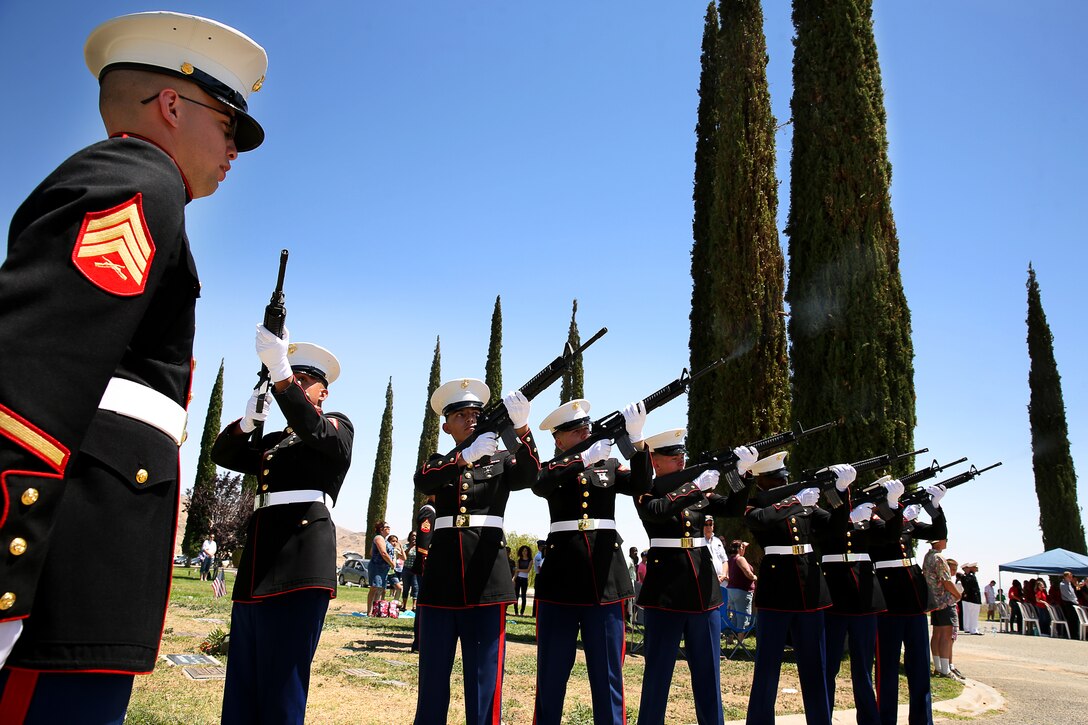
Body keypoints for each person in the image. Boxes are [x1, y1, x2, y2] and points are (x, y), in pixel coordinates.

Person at [0, 12, 267, 721]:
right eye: (228, 123)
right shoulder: (135, 181)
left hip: (88, 571)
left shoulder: (149, 191)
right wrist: (5, 574)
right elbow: (32, 379)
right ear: (172, 104)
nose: (235, 147)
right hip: (58, 581)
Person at [211, 336, 352, 723]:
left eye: (303, 379)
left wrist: (282, 375)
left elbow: (315, 430)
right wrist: (246, 424)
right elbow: (222, 455)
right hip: (259, 563)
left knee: (283, 685)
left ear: (323, 392)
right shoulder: (274, 443)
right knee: (243, 680)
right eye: (292, 376)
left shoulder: (337, 428)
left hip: (300, 564)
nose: (292, 383)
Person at [413, 379, 539, 725]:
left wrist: (523, 428)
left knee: (486, 680)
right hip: (442, 577)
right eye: (461, 414)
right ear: (446, 424)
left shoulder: (500, 458)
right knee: (433, 678)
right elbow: (423, 480)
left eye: (475, 414)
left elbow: (530, 474)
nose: (470, 419)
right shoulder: (440, 462)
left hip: (487, 577)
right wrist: (465, 456)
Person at [531, 398, 650, 725]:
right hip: (561, 580)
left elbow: (643, 485)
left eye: (586, 426)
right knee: (551, 675)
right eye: (575, 429)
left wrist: (638, 444)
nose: (585, 431)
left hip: (604, 580)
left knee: (609, 674)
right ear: (559, 439)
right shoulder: (552, 468)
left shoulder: (609, 466)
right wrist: (582, 457)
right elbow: (539, 484)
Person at [635, 429, 752, 725]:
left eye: (681, 457)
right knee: (658, 675)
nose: (680, 462)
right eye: (673, 458)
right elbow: (658, 512)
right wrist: (695, 488)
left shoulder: (697, 488)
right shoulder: (647, 490)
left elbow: (734, 508)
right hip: (666, 593)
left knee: (709, 675)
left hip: (703, 593)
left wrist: (741, 475)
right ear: (655, 461)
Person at [744, 452, 854, 725]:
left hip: (810, 590)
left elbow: (835, 528)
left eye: (785, 479)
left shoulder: (806, 505)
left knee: (815, 667)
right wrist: (794, 500)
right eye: (777, 480)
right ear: (762, 482)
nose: (783, 482)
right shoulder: (755, 505)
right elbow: (759, 521)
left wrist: (841, 493)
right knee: (768, 667)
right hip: (776, 590)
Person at [871, 482, 948, 725]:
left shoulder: (904, 519)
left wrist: (934, 507)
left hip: (914, 598)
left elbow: (938, 533)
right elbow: (888, 536)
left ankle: (922, 720)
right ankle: (886, 720)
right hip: (889, 597)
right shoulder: (871, 518)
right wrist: (899, 514)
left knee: (920, 666)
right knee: (888, 668)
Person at [818, 476, 888, 725]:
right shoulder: (824, 517)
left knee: (863, 671)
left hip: (864, 600)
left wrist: (893, 506)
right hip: (834, 598)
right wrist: (848, 518)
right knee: (828, 667)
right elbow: (823, 537)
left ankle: (869, 720)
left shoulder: (870, 521)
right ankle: (822, 718)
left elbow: (891, 534)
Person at [923, 539, 961, 681]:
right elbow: (946, 580)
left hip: (934, 600)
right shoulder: (939, 557)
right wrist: (957, 594)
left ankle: (939, 666)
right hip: (944, 600)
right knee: (946, 634)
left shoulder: (928, 556)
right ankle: (945, 669)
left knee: (937, 634)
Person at [410, 497, 436, 653]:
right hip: (427, 564)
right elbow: (424, 541)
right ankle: (420, 642)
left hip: (432, 563)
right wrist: (426, 564)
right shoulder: (429, 510)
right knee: (424, 604)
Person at [725, 540, 757, 625]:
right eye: (743, 547)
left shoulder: (730, 559)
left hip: (731, 591)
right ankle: (740, 638)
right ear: (739, 549)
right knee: (743, 618)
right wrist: (754, 577)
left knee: (734, 617)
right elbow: (748, 573)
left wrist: (743, 546)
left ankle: (730, 637)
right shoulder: (740, 559)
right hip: (742, 591)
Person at [367, 521, 395, 616]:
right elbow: (383, 553)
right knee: (374, 588)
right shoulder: (378, 538)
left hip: (383, 568)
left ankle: (376, 610)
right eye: (386, 527)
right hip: (376, 567)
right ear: (381, 529)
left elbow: (371, 552)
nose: (389, 528)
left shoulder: (385, 540)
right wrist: (391, 563)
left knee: (380, 589)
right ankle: (369, 611)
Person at [959, 562, 983, 634]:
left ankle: (969, 628)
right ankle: (973, 629)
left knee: (969, 614)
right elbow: (967, 588)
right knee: (973, 614)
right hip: (973, 598)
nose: (977, 568)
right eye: (975, 567)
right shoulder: (971, 576)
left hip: (970, 598)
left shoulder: (970, 576)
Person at [401, 532, 420, 611]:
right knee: (406, 588)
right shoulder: (405, 546)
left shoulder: (419, 546)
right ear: (409, 537)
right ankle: (404, 605)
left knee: (415, 587)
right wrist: (410, 547)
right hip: (406, 569)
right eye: (412, 536)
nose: (414, 537)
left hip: (415, 570)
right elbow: (403, 556)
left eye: (415, 536)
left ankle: (414, 606)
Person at [513, 546, 533, 616]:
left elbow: (527, 571)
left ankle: (522, 613)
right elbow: (516, 572)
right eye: (523, 551)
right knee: (516, 596)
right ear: (521, 552)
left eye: (526, 551)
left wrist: (518, 569)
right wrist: (513, 579)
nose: (524, 552)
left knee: (524, 596)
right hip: (518, 579)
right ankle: (516, 612)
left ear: (528, 552)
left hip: (525, 580)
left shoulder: (530, 560)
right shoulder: (519, 560)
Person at [532, 539, 546, 617]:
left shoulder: (542, 555)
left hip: (540, 576)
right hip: (539, 576)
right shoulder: (539, 556)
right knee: (537, 595)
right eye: (543, 547)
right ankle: (535, 613)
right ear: (539, 547)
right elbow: (540, 568)